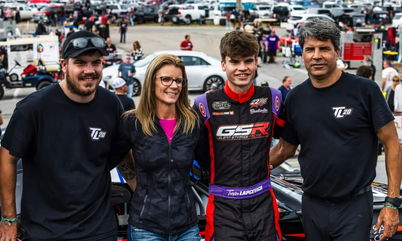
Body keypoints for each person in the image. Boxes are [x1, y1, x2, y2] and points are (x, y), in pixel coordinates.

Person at [270, 19, 402, 241]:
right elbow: (284, 149)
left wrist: (391, 202)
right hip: (312, 204)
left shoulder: (365, 91)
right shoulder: (295, 98)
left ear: (337, 51)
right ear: (302, 53)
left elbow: (392, 144)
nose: (317, 55)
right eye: (310, 49)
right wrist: (247, 173)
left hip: (354, 206)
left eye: (324, 49)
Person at [0, 30, 123, 241]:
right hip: (45, 231)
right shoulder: (34, 108)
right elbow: (7, 157)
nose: (89, 70)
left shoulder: (111, 105)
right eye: (80, 63)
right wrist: (9, 219)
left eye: (96, 62)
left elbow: (123, 158)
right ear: (64, 65)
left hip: (99, 231)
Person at [193, 31, 283, 241]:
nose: (242, 68)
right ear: (223, 64)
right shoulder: (203, 104)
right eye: (235, 62)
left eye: (248, 61)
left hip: (263, 203)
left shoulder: (273, 98)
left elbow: (291, 140)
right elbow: (195, 153)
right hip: (224, 206)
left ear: (256, 62)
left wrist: (269, 162)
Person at [113, 54, 202, 241]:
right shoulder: (132, 121)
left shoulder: (192, 122)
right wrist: (140, 187)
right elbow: (120, 157)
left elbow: (207, 159)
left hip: (186, 226)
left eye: (179, 80)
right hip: (146, 227)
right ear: (152, 81)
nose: (174, 85)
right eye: (166, 79)